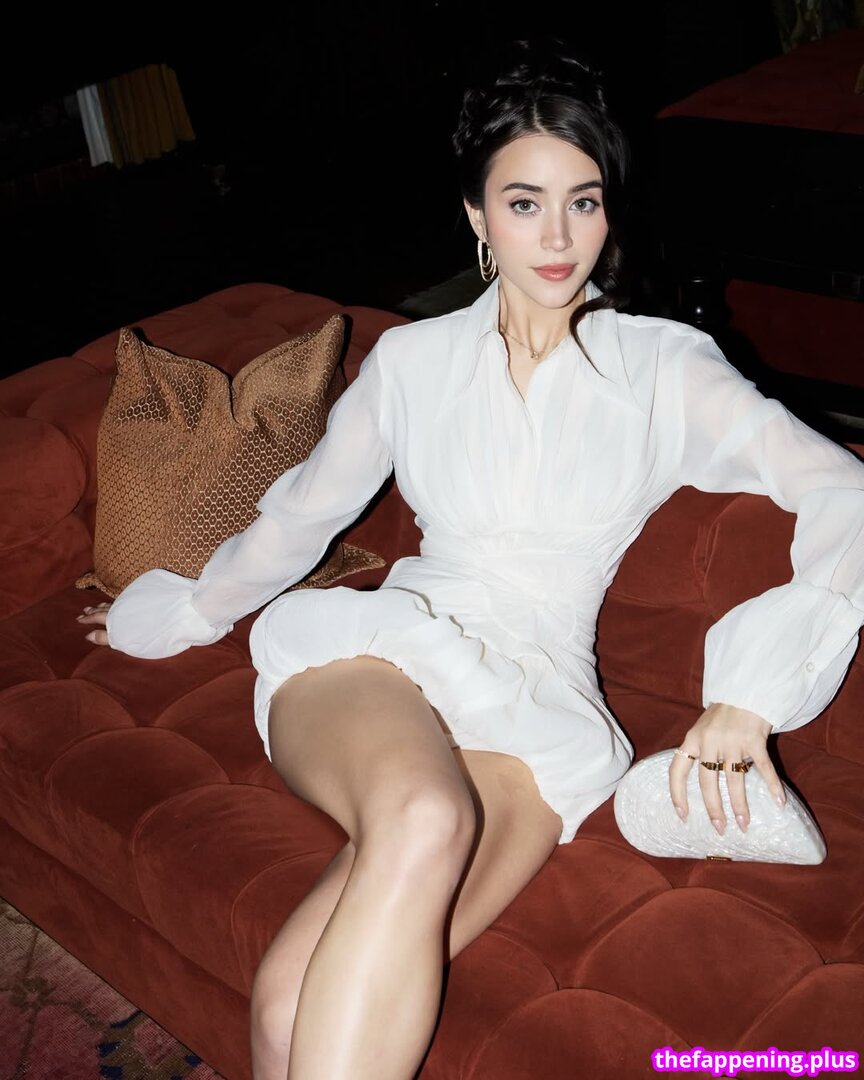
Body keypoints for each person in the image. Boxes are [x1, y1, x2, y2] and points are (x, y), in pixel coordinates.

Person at [76, 38, 864, 1080]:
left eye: (583, 201)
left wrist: (750, 695)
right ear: (477, 217)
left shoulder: (667, 368)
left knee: (292, 997)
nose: (559, 236)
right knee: (423, 812)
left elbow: (845, 491)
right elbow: (303, 516)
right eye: (524, 203)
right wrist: (188, 607)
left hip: (541, 707)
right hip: (380, 655)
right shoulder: (412, 362)